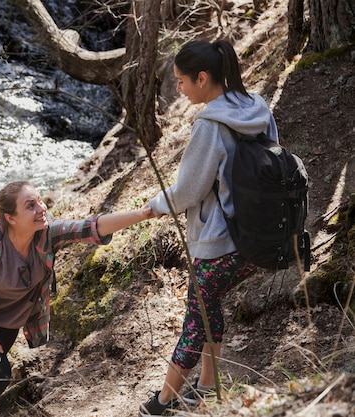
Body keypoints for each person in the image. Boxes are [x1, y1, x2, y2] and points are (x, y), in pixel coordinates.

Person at [138, 39, 275, 416]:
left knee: (195, 323)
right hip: (258, 236)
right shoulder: (256, 106)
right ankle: (206, 386)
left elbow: (187, 191)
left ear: (202, 78)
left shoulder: (210, 125)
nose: (179, 89)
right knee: (209, 309)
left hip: (218, 242)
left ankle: (161, 403)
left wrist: (153, 206)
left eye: (182, 81)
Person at [0, 180, 152, 417]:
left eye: (40, 201)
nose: (41, 208)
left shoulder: (47, 234)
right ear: (11, 219)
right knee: (0, 374)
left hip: (10, 321)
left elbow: (91, 227)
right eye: (30, 206)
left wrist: (144, 213)